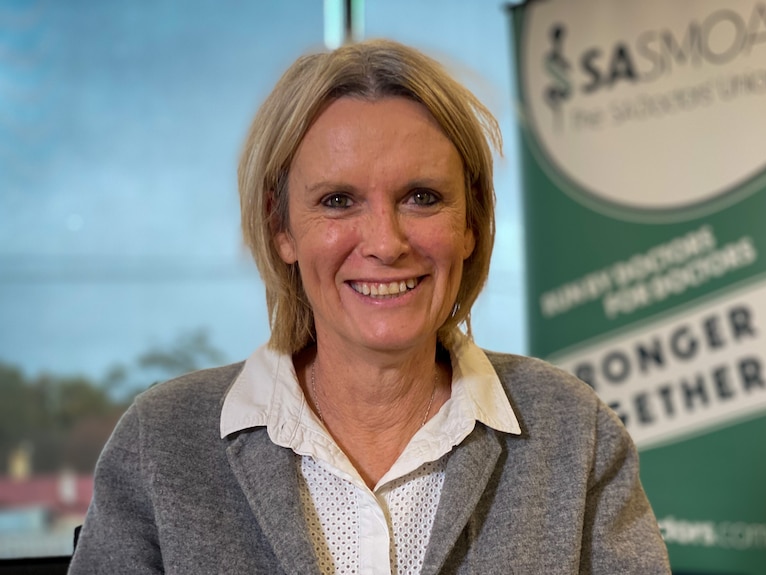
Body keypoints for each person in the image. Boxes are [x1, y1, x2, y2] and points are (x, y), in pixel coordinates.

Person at [69, 39, 671, 574]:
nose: (385, 243)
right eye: (337, 200)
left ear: (471, 223)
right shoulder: (162, 444)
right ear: (282, 228)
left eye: (422, 197)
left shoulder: (574, 432)